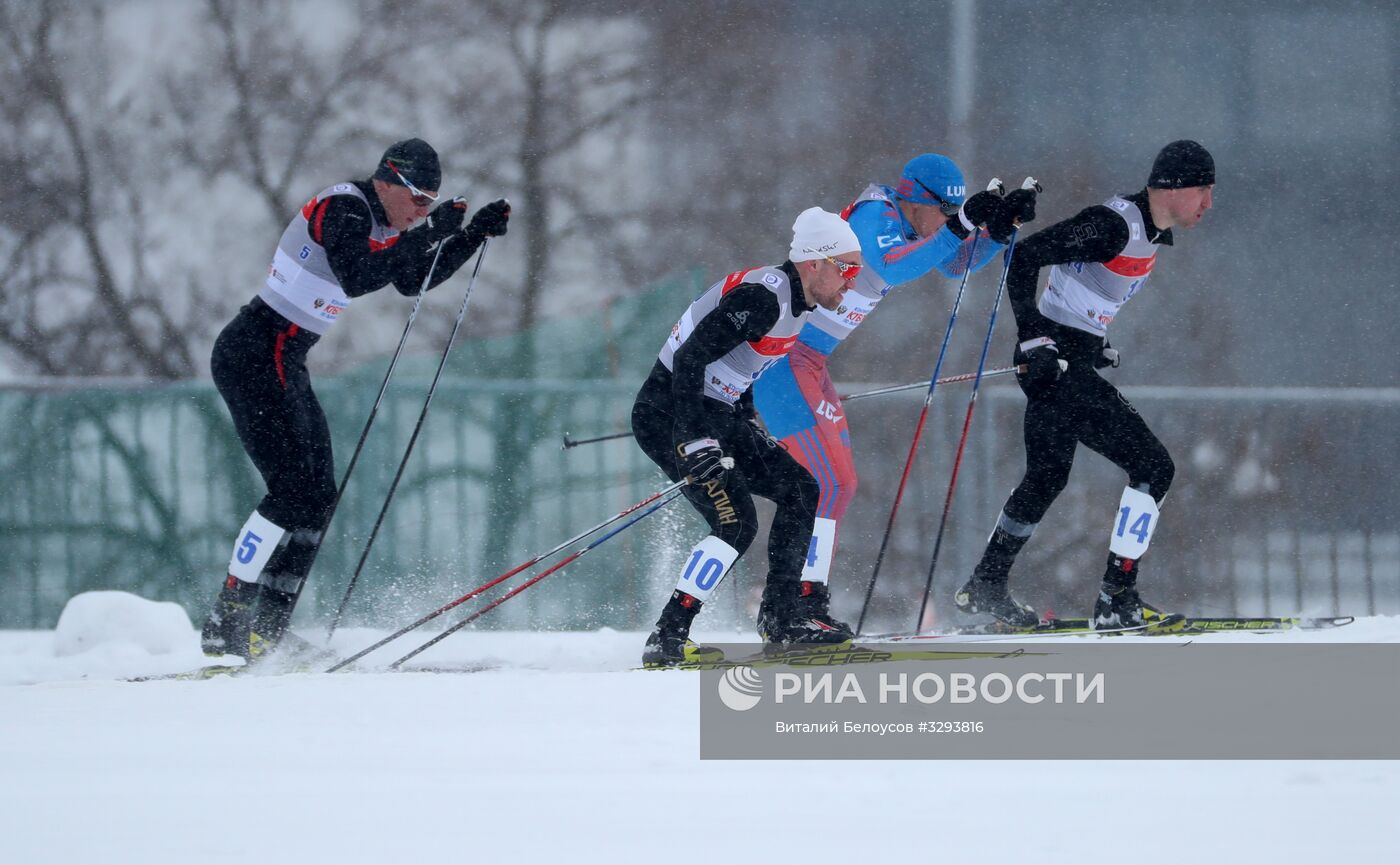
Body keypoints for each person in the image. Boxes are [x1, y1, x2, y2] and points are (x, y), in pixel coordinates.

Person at [201, 138, 511, 660]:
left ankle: (267, 630)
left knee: (319, 492)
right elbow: (359, 273)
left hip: (283, 355)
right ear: (388, 180)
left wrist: (472, 236)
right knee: (292, 488)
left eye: (431, 204)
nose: (422, 212)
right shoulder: (345, 206)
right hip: (255, 349)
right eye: (418, 200)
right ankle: (227, 619)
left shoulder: (387, 226)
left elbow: (412, 279)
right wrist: (434, 231)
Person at [751, 153, 1036, 633]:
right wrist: (964, 221)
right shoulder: (875, 214)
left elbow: (952, 263)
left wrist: (996, 230)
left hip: (811, 364)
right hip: (783, 364)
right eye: (942, 215)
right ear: (917, 202)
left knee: (837, 486)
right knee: (825, 483)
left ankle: (808, 600)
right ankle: (790, 606)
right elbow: (892, 267)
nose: (943, 225)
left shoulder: (914, 228)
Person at [955, 140, 1215, 629]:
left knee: (1047, 477)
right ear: (1173, 188)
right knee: (1153, 467)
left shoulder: (1147, 234)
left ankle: (986, 584)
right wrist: (1033, 336)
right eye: (1203, 191)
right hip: (1054, 364)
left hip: (1069, 358)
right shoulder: (1117, 225)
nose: (1208, 204)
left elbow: (1078, 291)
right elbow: (1026, 256)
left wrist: (1095, 342)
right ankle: (1118, 598)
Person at [634, 207, 862, 667]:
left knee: (803, 488)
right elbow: (690, 360)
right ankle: (668, 636)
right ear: (813, 263)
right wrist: (696, 438)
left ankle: (782, 620)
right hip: (670, 413)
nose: (852, 282)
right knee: (737, 524)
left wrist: (744, 415)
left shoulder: (799, 306)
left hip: (712, 411)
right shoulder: (763, 297)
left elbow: (738, 369)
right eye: (847, 269)